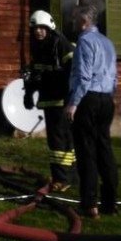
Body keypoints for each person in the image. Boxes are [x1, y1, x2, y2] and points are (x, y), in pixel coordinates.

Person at [63, 3, 118, 218]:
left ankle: (89, 204)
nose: (72, 21)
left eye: (75, 18)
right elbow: (114, 77)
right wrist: (109, 97)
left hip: (88, 99)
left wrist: (73, 103)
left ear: (84, 20)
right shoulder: (108, 43)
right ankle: (110, 203)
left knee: (86, 151)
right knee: (105, 149)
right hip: (106, 99)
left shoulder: (85, 42)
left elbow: (84, 77)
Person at [23, 10, 76, 191]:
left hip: (62, 100)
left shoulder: (59, 44)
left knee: (59, 141)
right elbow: (35, 74)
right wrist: (28, 94)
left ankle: (62, 179)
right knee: (60, 140)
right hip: (49, 100)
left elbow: (72, 71)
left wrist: (71, 99)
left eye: (41, 28)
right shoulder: (39, 46)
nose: (38, 31)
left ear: (49, 27)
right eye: (35, 28)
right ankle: (69, 176)